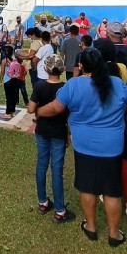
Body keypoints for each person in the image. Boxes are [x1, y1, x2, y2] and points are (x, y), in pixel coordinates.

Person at [38, 48, 127, 248]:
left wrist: (39, 111)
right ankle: (114, 234)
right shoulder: (117, 84)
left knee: (87, 187)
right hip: (112, 146)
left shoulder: (74, 85)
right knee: (111, 191)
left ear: (81, 66)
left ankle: (91, 227)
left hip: (84, 146)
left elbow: (56, 108)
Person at [93, 37, 127, 218]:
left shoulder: (97, 71)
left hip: (104, 121)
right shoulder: (122, 67)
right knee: (124, 161)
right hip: (122, 117)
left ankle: (107, 193)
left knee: (103, 161)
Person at [28, 54, 75, 223]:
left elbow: (31, 108)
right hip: (58, 133)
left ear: (46, 69)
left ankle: (42, 202)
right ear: (62, 70)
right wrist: (68, 134)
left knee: (41, 164)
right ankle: (60, 211)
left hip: (42, 131)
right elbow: (69, 114)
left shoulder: (40, 86)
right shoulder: (66, 88)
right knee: (57, 169)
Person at [0, 45, 21, 119]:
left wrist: (1, 80)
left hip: (7, 80)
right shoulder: (15, 60)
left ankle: (8, 112)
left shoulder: (4, 61)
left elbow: (2, 72)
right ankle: (13, 111)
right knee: (14, 96)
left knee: (8, 97)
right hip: (15, 79)